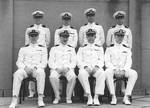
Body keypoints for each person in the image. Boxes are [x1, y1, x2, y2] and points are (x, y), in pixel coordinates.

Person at [9, 29, 47, 108]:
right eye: (31, 36)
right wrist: (25, 68)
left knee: (41, 73)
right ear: (29, 37)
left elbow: (44, 62)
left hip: (36, 69)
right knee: (17, 74)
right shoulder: (23, 49)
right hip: (25, 69)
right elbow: (19, 62)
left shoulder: (43, 48)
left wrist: (35, 68)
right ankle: (14, 100)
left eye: (35, 36)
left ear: (38, 37)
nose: (33, 37)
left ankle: (40, 99)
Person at [105, 29, 138, 105]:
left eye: (122, 36)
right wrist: (115, 69)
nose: (120, 38)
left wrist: (123, 70)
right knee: (107, 72)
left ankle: (126, 96)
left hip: (124, 70)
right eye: (118, 36)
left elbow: (129, 61)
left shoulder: (127, 48)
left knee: (134, 73)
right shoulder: (109, 48)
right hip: (113, 70)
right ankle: (113, 96)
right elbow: (107, 61)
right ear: (114, 36)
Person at [25, 10, 50, 98]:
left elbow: (47, 42)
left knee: (41, 71)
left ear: (41, 18)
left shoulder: (46, 29)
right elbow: (27, 42)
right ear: (34, 18)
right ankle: (31, 91)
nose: (38, 19)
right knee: (30, 66)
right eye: (36, 18)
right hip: (31, 51)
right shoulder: (29, 29)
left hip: (41, 52)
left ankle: (40, 92)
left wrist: (42, 50)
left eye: (39, 17)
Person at [77, 29, 105, 106]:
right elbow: (78, 60)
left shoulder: (99, 48)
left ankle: (96, 97)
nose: (90, 37)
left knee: (102, 73)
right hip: (86, 69)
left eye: (92, 36)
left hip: (96, 68)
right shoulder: (82, 48)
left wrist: (97, 66)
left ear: (95, 36)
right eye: (89, 36)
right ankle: (89, 96)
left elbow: (102, 59)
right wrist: (85, 67)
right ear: (86, 37)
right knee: (82, 74)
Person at [49, 30, 76, 104]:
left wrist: (68, 68)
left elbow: (74, 62)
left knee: (73, 76)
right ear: (60, 38)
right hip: (57, 69)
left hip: (68, 69)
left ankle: (68, 97)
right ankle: (57, 96)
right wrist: (56, 68)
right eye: (63, 37)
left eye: (66, 37)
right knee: (52, 76)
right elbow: (50, 61)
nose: (65, 39)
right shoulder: (54, 49)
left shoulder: (71, 49)